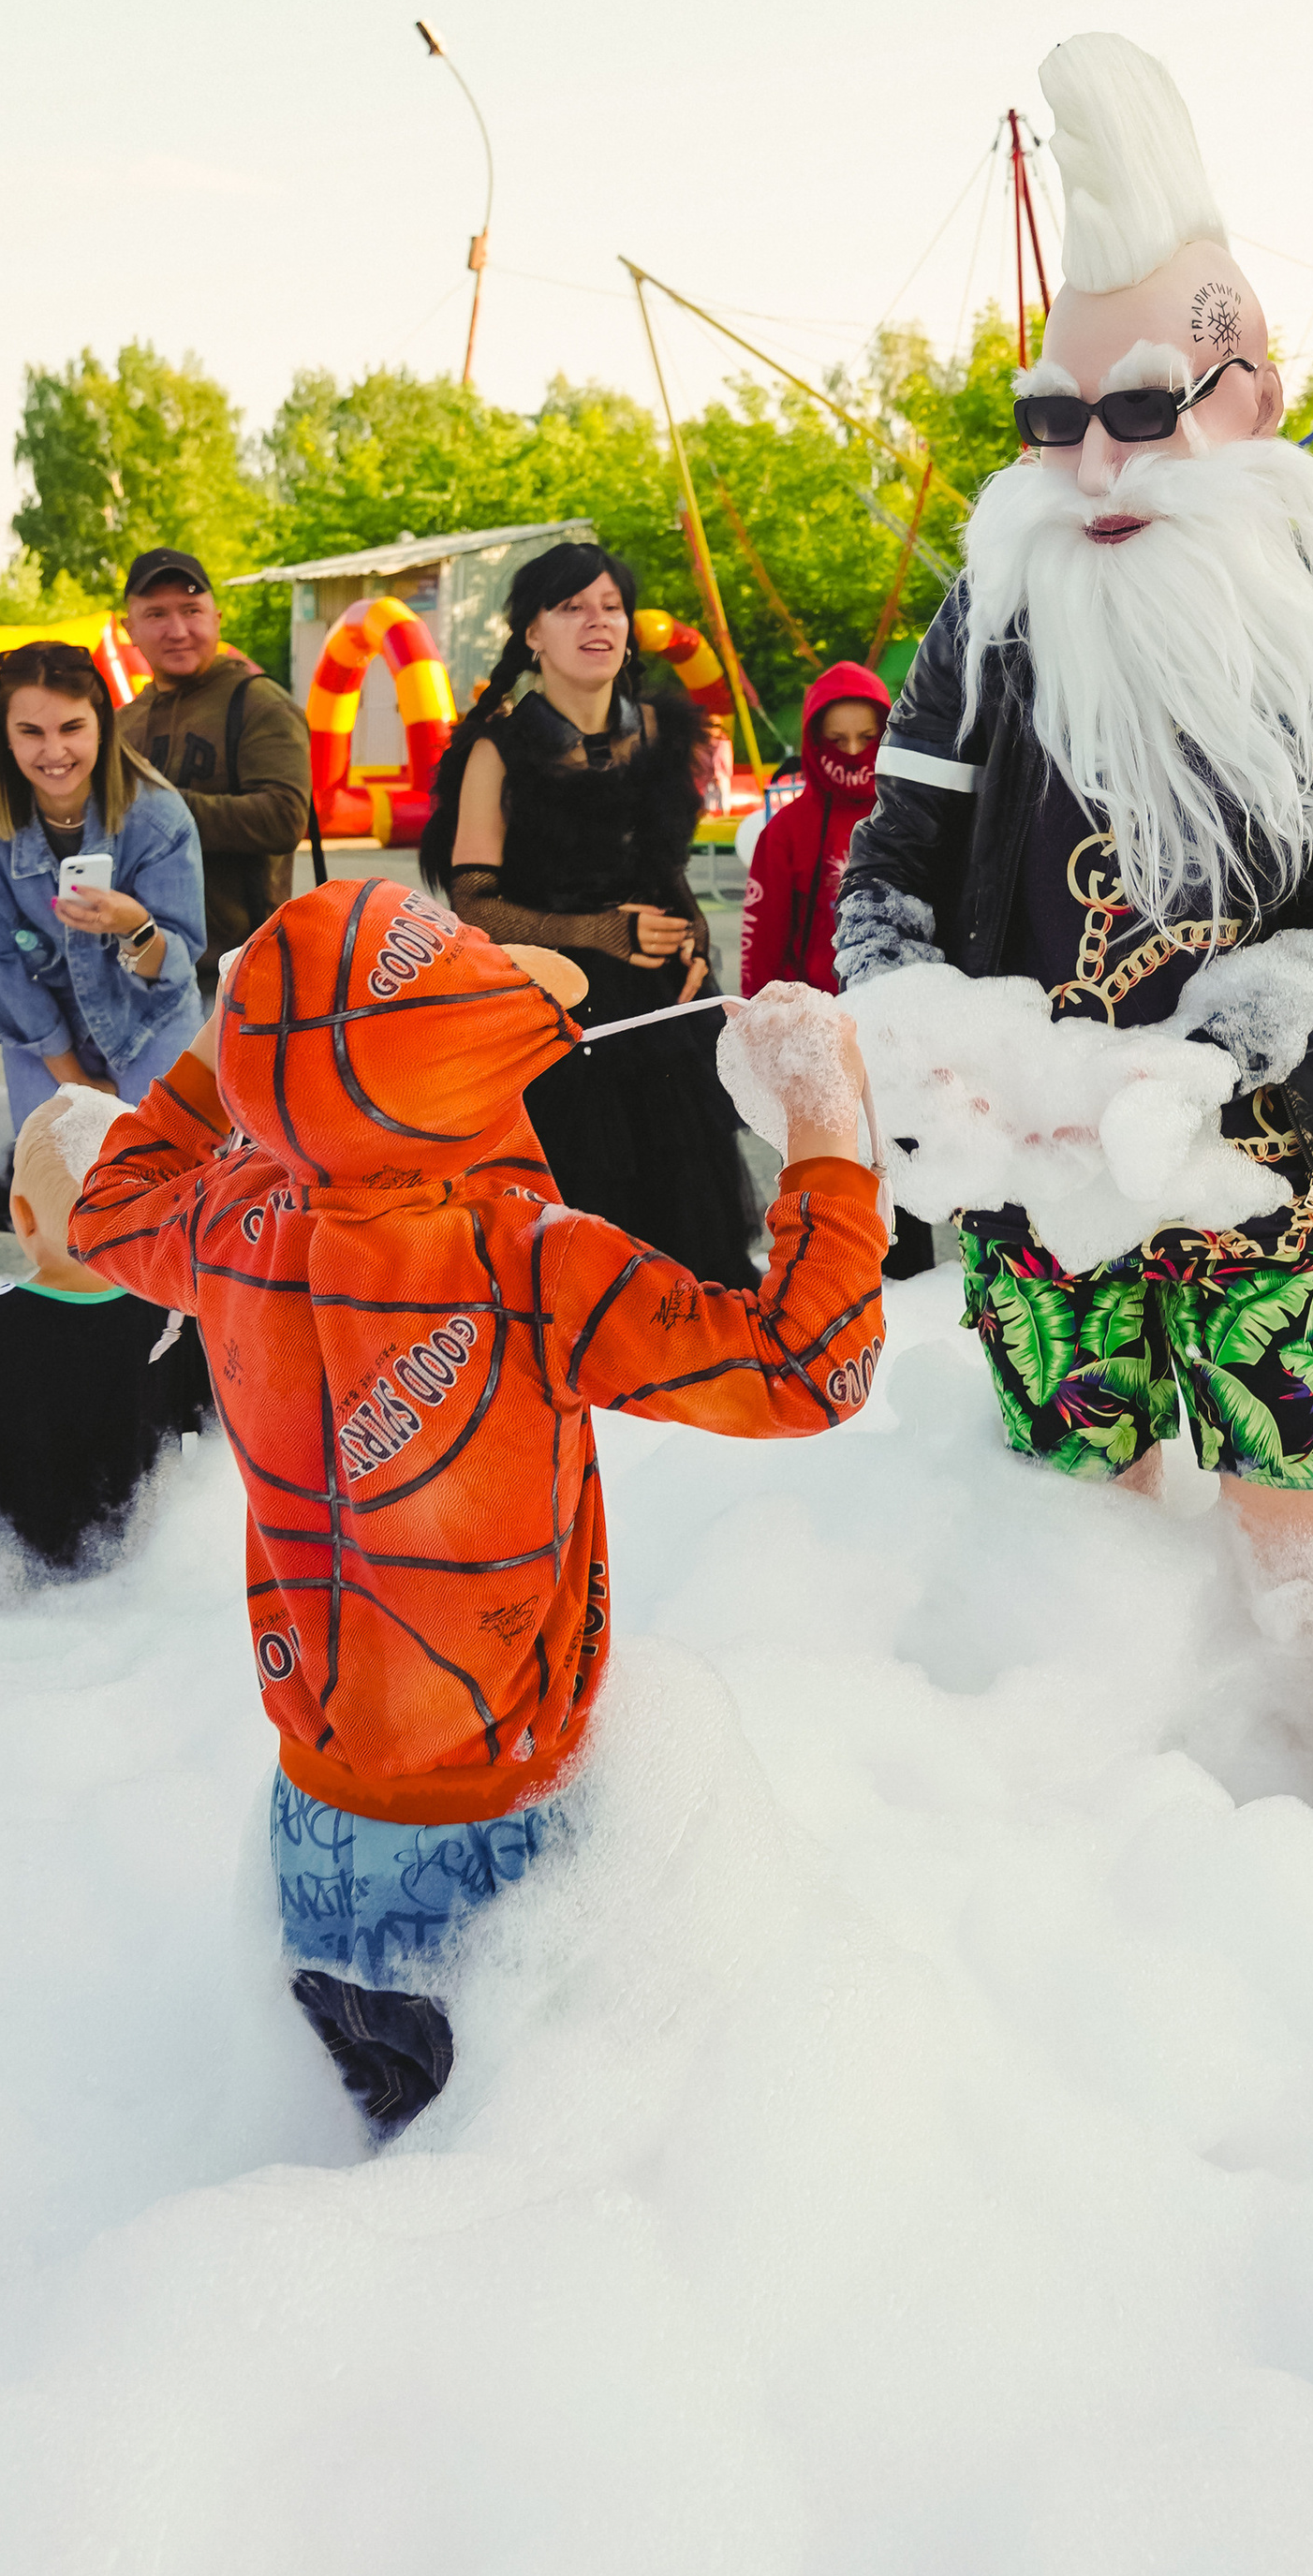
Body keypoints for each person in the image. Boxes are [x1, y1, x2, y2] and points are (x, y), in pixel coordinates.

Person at [68, 876, 887, 2142]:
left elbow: (106, 1205)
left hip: (308, 1835)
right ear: (453, 1076)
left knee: (375, 2170)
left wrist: (229, 1054)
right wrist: (826, 1129)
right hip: (500, 1850)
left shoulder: (231, 1222)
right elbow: (807, 1367)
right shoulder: (532, 1263)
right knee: (518, 2182)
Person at [836, 32, 1313, 1725]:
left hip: (1259, 1171)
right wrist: (917, 1028)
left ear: (1252, 397)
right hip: (1036, 1176)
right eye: (1054, 421)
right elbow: (892, 864)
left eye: (1144, 412)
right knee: (1072, 1542)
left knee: (1311, 1555)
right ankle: (1102, 1814)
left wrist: (1236, 1042)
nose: (1095, 466)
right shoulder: (992, 611)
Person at [418, 538, 757, 1285]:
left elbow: (665, 867)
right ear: (532, 633)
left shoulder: (665, 733)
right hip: (553, 1019)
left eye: (612, 606)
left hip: (665, 1013)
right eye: (572, 607)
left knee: (692, 1234)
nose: (598, 621)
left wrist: (694, 935)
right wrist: (598, 933)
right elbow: (472, 904)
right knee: (580, 1246)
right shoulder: (496, 751)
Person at [0, 1091, 211, 1572]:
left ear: (22, 1216)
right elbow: (221, 1431)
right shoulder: (175, 1315)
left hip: (8, 1586)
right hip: (139, 1581)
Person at [0, 640, 205, 1122]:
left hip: (149, 1019)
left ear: (102, 726)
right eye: (30, 732)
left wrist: (134, 926)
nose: (54, 752)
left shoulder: (160, 817)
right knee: (58, 1161)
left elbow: (174, 965)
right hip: (42, 1031)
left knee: (161, 1160)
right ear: (5, 736)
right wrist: (75, 1080)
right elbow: (1, 970)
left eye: (72, 727)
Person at [742, 659, 937, 1281]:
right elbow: (760, 951)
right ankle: (823, 1303)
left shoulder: (912, 825)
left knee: (904, 1202)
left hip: (902, 1046)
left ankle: (912, 1309)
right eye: (837, 739)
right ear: (812, 742)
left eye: (867, 738)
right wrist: (761, 1040)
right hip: (819, 1053)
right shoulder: (785, 834)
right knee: (828, 1198)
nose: (853, 753)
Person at [114, 548, 317, 986]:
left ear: (217, 618)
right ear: (129, 629)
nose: (178, 631)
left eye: (192, 611)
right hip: (136, 968)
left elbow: (284, 818)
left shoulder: (259, 703)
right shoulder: (120, 724)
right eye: (156, 614)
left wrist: (154, 808)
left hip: (235, 976)